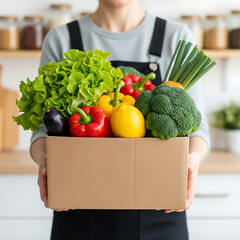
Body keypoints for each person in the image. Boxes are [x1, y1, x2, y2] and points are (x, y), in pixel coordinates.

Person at [30, 0, 210, 239]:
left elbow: (197, 125)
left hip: (160, 212)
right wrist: (45, 161)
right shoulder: (61, 39)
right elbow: (42, 129)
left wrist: (192, 160)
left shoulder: (175, 36)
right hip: (79, 214)